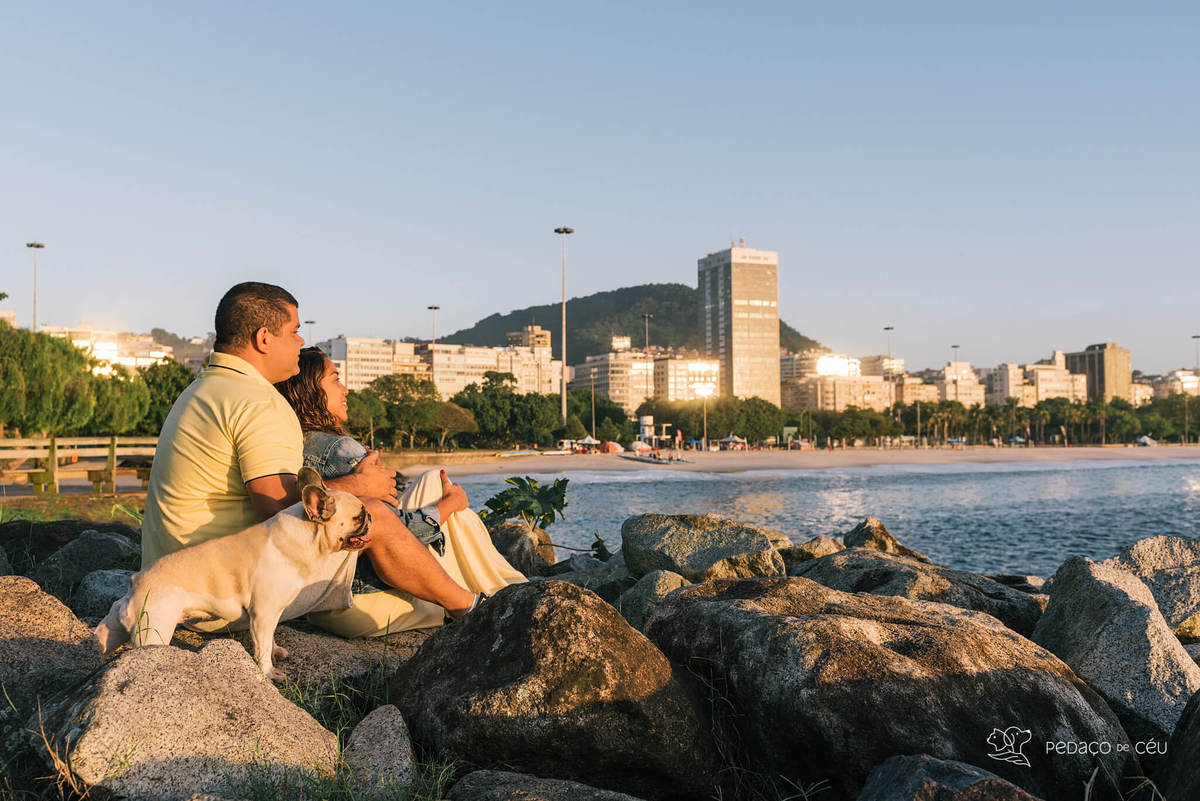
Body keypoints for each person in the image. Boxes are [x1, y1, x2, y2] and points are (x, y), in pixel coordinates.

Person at [141, 281, 480, 633]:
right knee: (372, 513)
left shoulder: (201, 389)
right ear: (264, 339)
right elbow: (283, 514)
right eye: (295, 332)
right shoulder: (257, 402)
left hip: (170, 587)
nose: (301, 342)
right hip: (225, 596)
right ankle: (469, 609)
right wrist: (359, 485)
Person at [275, 347, 525, 636]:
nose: (345, 390)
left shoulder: (296, 445)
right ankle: (507, 594)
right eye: (335, 380)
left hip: (320, 604)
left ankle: (505, 588)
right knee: (454, 510)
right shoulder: (340, 450)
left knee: (433, 480)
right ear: (309, 391)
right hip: (363, 601)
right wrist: (450, 505)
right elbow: (394, 533)